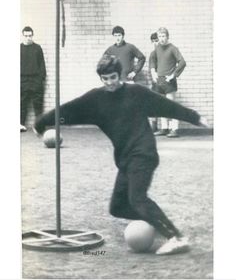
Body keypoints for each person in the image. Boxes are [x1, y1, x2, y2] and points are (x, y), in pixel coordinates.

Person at [33, 55, 208, 255]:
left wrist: (194, 117)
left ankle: (176, 237)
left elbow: (167, 107)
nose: (110, 83)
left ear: (120, 74)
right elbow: (69, 110)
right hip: (125, 158)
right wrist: (42, 122)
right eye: (105, 79)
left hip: (143, 153)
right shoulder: (95, 99)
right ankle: (154, 221)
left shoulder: (136, 93)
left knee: (137, 198)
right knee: (118, 207)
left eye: (113, 77)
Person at [149, 27, 186, 138]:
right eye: (160, 36)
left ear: (167, 37)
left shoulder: (173, 48)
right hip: (158, 81)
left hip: (169, 81)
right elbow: (152, 61)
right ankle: (164, 128)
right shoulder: (156, 49)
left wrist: (173, 75)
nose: (161, 39)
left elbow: (182, 62)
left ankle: (174, 129)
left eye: (163, 36)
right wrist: (153, 72)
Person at [20, 26, 46, 132]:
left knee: (38, 104)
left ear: (32, 36)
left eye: (30, 36)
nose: (28, 38)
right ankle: (21, 124)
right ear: (23, 36)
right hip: (23, 80)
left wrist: (40, 79)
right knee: (21, 103)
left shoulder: (37, 48)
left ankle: (39, 126)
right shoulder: (18, 48)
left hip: (36, 80)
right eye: (26, 36)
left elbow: (42, 65)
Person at [149, 32, 159, 133]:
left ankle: (169, 127)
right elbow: (151, 68)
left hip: (164, 82)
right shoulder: (153, 54)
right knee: (152, 103)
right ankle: (154, 125)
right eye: (153, 42)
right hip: (155, 82)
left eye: (157, 41)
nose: (155, 43)